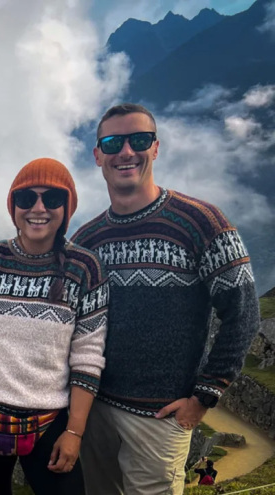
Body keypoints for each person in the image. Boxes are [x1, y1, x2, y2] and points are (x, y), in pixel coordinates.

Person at [72, 103, 260, 494]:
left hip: (160, 416)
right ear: (98, 155)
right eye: (112, 142)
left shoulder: (202, 224)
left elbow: (243, 315)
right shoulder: (87, 241)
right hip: (93, 410)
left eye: (138, 140)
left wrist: (204, 397)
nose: (126, 152)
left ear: (155, 148)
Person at [0, 158, 108, 495]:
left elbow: (88, 357)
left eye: (52, 198)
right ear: (14, 207)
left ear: (67, 206)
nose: (38, 208)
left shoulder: (84, 269)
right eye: (27, 199)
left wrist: (74, 432)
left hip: (48, 423)